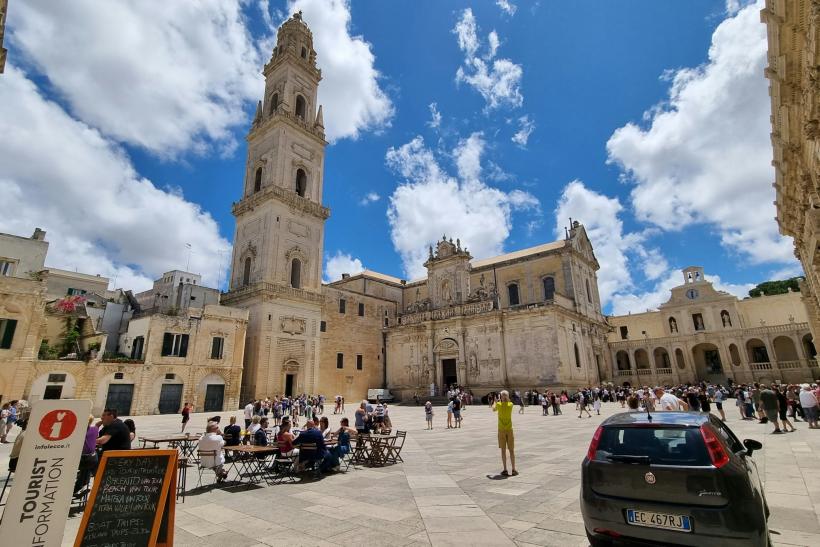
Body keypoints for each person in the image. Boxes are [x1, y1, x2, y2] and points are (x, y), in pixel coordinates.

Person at [73, 415, 100, 497]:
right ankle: (81, 485)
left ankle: (73, 489)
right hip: (92, 459)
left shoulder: (78, 431)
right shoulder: (95, 429)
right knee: (87, 467)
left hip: (81, 460)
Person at [493, 391, 517, 476]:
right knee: (511, 450)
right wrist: (506, 397)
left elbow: (493, 409)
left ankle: (505, 469)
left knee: (503, 450)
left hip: (501, 429)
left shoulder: (498, 405)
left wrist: (495, 401)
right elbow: (509, 401)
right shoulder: (511, 405)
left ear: (501, 397)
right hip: (509, 429)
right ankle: (513, 469)